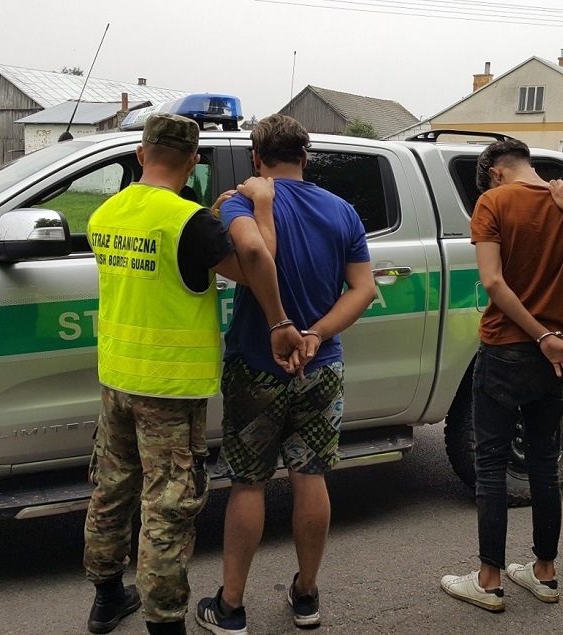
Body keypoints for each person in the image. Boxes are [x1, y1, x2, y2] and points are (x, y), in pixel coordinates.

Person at [83, 112, 303, 635]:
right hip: (169, 389)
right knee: (167, 509)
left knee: (111, 489)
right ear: (194, 162)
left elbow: (158, 265)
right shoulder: (190, 222)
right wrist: (261, 209)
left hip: (117, 378)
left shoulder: (106, 213)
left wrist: (211, 218)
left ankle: (106, 597)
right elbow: (258, 264)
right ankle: (164, 623)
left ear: (141, 154)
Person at [195, 114, 376, 633]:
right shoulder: (342, 211)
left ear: (257, 158)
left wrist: (282, 325)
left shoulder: (242, 202)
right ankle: (306, 595)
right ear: (306, 156)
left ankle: (231, 607)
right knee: (310, 477)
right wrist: (315, 335)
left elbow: (253, 252)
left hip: (257, 363)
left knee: (249, 484)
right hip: (321, 365)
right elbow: (364, 289)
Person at [439, 138, 563, 613]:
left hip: (507, 348)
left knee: (490, 465)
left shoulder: (492, 201)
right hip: (557, 353)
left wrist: (539, 334)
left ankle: (488, 581)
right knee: (543, 464)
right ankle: (544, 573)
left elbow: (492, 282)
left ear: (495, 172)